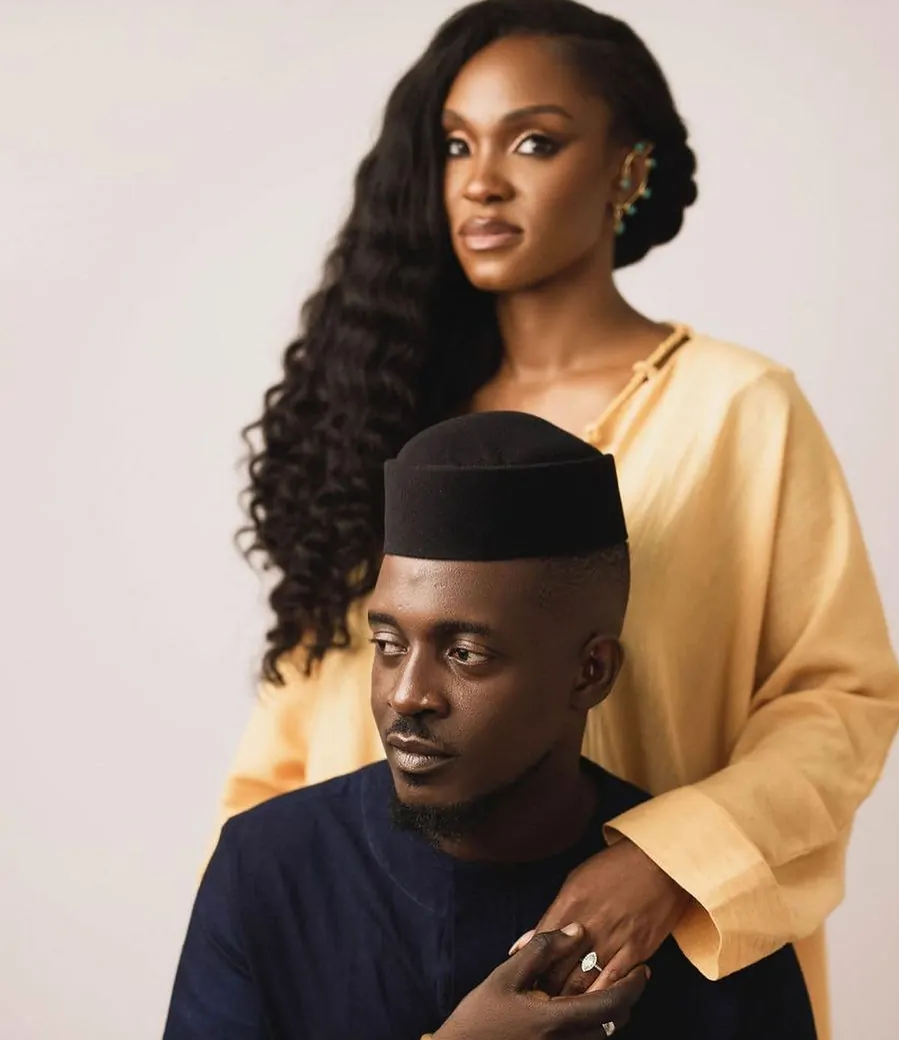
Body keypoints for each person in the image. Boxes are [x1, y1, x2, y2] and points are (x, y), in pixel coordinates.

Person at [222, 0, 899, 1039]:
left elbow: (838, 701)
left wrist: (667, 861)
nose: (482, 181)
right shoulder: (385, 415)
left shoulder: (735, 410)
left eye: (533, 141)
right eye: (456, 145)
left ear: (628, 169)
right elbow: (289, 742)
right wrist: (251, 935)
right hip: (370, 960)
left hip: (641, 961)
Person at [168, 412, 818, 1039]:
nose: (407, 694)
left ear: (590, 673)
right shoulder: (267, 869)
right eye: (388, 644)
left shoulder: (697, 917)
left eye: (465, 654)